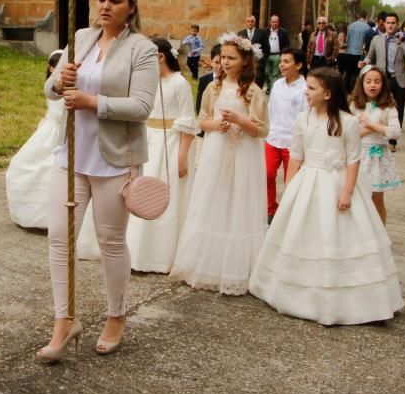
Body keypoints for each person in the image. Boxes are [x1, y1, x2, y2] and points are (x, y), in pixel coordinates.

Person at [40, 0, 158, 362]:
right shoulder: (82, 36)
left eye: (115, 0)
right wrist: (61, 82)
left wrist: (93, 101)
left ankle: (116, 315)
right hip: (71, 153)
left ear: (131, 7)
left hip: (114, 159)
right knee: (59, 237)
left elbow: (141, 107)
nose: (105, 6)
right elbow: (51, 88)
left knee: (110, 242)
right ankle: (64, 320)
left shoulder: (141, 48)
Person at [248, 68, 403, 325]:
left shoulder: (348, 122)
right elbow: (296, 154)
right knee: (300, 231)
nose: (306, 93)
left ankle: (344, 297)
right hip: (307, 181)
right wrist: (290, 188)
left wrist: (346, 191)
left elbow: (353, 160)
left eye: (311, 88)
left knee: (336, 234)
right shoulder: (303, 119)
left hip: (336, 181)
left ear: (328, 94)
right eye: (306, 87)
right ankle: (290, 290)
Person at [170, 33, 268, 295]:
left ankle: (236, 268)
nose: (225, 62)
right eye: (222, 57)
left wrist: (239, 119)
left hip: (243, 152)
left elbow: (261, 129)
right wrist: (215, 125)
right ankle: (206, 263)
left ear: (245, 61)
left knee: (237, 201)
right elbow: (201, 120)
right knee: (212, 198)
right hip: (216, 149)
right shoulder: (212, 89)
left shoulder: (253, 92)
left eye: (231, 58)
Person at [124, 38, 198, 273]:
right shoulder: (148, 83)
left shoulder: (179, 84)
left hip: (170, 143)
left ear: (160, 57)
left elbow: (188, 122)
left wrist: (182, 156)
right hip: (148, 139)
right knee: (139, 193)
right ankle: (135, 252)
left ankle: (159, 254)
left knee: (164, 194)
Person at [5, 50, 65, 229]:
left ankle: (52, 218)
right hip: (48, 131)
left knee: (52, 170)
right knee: (24, 165)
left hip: (61, 132)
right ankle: (30, 214)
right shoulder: (52, 87)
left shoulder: (69, 85)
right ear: (50, 67)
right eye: (55, 67)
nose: (58, 71)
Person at [350, 66, 403, 225]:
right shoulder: (354, 105)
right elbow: (349, 133)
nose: (372, 85)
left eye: (377, 81)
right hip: (357, 155)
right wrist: (373, 127)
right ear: (362, 83)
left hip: (376, 158)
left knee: (376, 198)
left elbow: (395, 132)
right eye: (368, 81)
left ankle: (380, 233)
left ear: (383, 85)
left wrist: (370, 126)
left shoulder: (388, 107)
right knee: (356, 196)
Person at [264, 49, 307, 225]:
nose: (281, 64)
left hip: (293, 142)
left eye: (286, 61)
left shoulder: (305, 88)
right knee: (266, 174)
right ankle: (270, 208)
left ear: (298, 65)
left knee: (292, 182)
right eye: (281, 61)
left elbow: (305, 117)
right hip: (273, 138)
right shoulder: (277, 85)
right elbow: (271, 111)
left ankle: (290, 212)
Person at [362, 12, 405, 151]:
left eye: (393, 23)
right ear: (384, 24)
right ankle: (377, 133)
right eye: (388, 23)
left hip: (399, 79)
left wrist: (401, 43)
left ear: (397, 24)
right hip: (382, 78)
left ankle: (393, 140)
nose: (391, 25)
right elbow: (370, 56)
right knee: (379, 106)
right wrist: (364, 62)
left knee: (398, 109)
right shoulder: (377, 40)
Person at [340, 11, 371, 93]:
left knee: (348, 73)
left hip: (350, 52)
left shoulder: (351, 25)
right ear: (366, 17)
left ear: (358, 16)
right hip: (360, 53)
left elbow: (347, 40)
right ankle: (355, 90)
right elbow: (367, 42)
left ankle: (346, 90)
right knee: (357, 74)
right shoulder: (367, 27)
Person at [238, 15, 270, 88]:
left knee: (258, 83)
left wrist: (262, 60)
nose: (250, 23)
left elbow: (267, 48)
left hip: (258, 65)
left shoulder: (262, 33)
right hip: (245, 64)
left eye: (252, 21)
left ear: (255, 22)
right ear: (245, 23)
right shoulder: (240, 34)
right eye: (248, 21)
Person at [264, 15, 290, 85]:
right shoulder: (265, 31)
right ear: (270, 22)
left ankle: (272, 89)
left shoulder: (283, 32)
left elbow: (287, 44)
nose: (275, 23)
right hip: (267, 55)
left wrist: (283, 54)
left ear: (278, 22)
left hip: (277, 55)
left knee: (275, 74)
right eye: (273, 22)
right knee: (266, 72)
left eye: (276, 22)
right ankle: (269, 86)